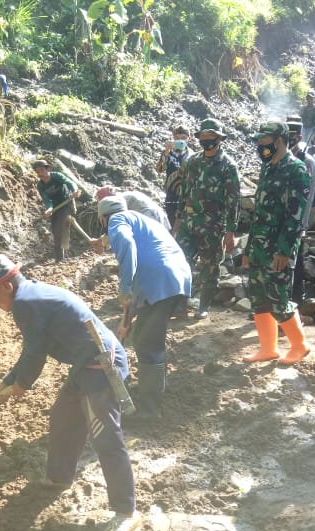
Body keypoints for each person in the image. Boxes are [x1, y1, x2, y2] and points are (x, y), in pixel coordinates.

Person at [0, 254, 141, 531]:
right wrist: (8, 380)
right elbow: (31, 348)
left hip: (101, 366)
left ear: (6, 287)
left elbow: (36, 353)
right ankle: (60, 478)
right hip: (85, 363)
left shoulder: (25, 303)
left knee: (105, 437)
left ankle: (126, 512)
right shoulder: (30, 295)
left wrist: (21, 385)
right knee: (63, 416)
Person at [97, 196, 191, 418]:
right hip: (174, 276)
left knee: (147, 342)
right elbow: (140, 282)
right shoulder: (138, 218)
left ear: (103, 218)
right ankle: (152, 389)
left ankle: (150, 407)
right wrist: (126, 321)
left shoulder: (117, 220)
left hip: (160, 279)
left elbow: (128, 246)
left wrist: (125, 287)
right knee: (144, 336)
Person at [241, 121, 311, 364]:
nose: (260, 146)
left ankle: (299, 345)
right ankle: (268, 348)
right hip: (259, 246)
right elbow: (259, 213)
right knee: (258, 297)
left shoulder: (296, 169)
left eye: (264, 141)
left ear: (279, 140)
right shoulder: (268, 168)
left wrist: (285, 250)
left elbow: (295, 215)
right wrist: (249, 249)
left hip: (277, 249)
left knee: (278, 298)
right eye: (259, 142)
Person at [174, 117, 240, 319]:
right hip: (188, 223)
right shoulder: (192, 162)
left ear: (219, 138)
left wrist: (230, 231)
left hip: (213, 226)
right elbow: (183, 192)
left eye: (211, 135)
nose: (206, 139)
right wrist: (177, 221)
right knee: (180, 262)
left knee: (210, 266)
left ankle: (203, 305)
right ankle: (180, 304)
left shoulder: (228, 166)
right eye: (203, 135)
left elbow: (233, 200)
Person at [287, 116, 315, 302]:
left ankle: (297, 299)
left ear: (299, 138)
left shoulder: (306, 161)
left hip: (297, 222)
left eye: (291, 136)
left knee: (296, 263)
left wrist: (302, 225)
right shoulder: (277, 159)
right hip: (280, 223)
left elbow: (308, 197)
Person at [32, 159, 79, 261]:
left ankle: (62, 258)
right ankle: (59, 258)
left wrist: (75, 190)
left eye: (41, 170)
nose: (40, 174)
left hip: (67, 203)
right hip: (56, 207)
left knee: (61, 228)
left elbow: (69, 182)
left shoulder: (56, 176)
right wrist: (49, 209)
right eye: (38, 172)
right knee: (55, 230)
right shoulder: (40, 186)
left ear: (47, 169)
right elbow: (47, 200)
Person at [156, 126, 192, 228]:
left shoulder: (193, 156)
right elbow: (159, 170)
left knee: (185, 226)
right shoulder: (168, 153)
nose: (180, 140)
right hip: (171, 195)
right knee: (170, 225)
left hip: (187, 196)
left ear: (189, 138)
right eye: (176, 137)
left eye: (183, 137)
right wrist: (165, 154)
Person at [95, 185, 171, 230]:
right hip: (160, 217)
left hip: (151, 219)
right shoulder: (125, 196)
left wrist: (104, 242)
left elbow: (120, 226)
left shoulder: (118, 203)